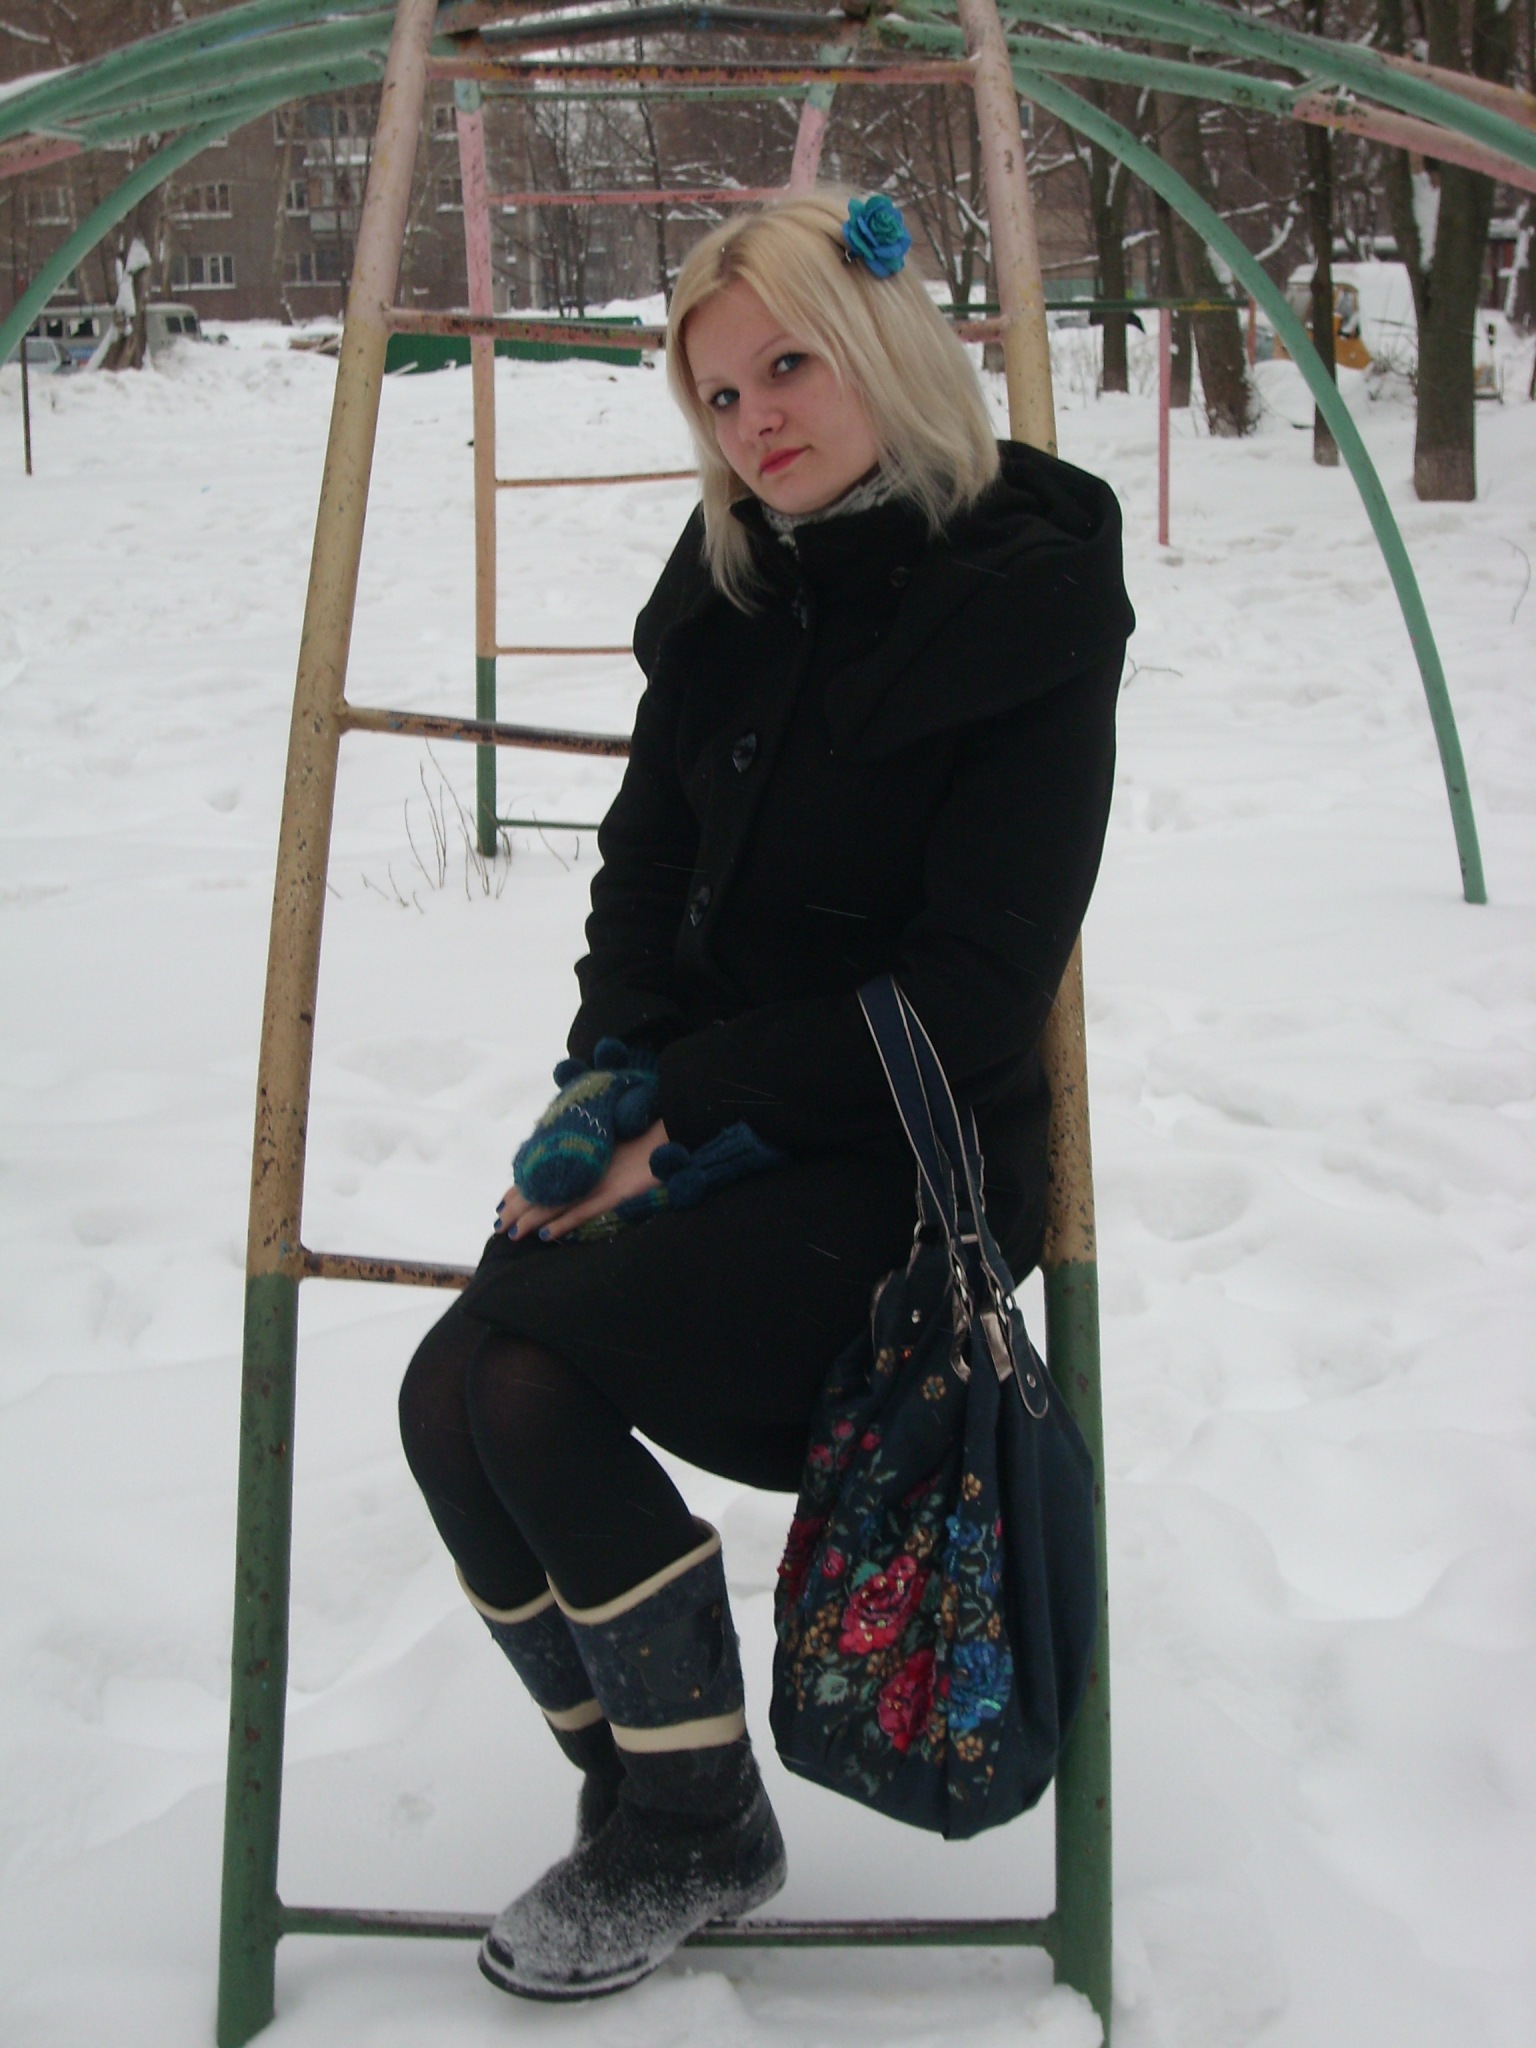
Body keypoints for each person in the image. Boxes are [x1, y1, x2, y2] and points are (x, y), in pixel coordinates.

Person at [398, 186, 1134, 2003]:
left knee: (523, 1380)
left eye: (789, 367)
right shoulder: (735, 568)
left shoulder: (1025, 596)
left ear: (884, 344)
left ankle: (686, 1825)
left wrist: (677, 1119)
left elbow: (975, 991)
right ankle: (663, 1791)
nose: (756, 424)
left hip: (908, 1153)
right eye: (719, 396)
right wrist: (607, 1085)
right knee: (447, 1398)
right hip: (712, 1119)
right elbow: (643, 864)